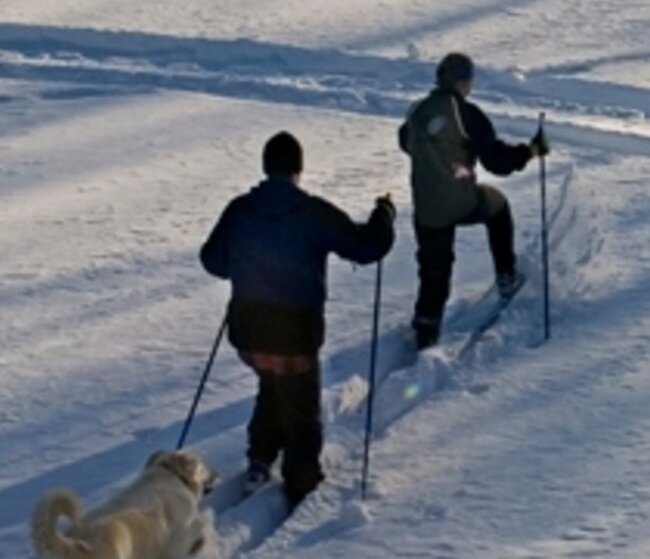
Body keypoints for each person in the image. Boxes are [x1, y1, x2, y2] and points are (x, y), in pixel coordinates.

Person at [198, 131, 395, 509]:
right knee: (300, 403)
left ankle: (259, 459)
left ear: (265, 168)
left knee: (272, 383)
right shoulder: (313, 212)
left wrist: (244, 262)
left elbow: (213, 261)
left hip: (248, 332)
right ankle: (301, 481)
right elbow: (369, 247)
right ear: (298, 170)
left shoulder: (240, 209)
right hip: (295, 333)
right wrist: (383, 214)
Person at [398, 51, 549, 350]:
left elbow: (406, 142)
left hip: (425, 206)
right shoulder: (466, 113)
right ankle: (506, 276)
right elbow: (496, 161)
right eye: (469, 80)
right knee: (498, 206)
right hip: (460, 199)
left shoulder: (416, 111)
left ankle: (426, 328)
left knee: (434, 268)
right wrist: (530, 151)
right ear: (463, 81)